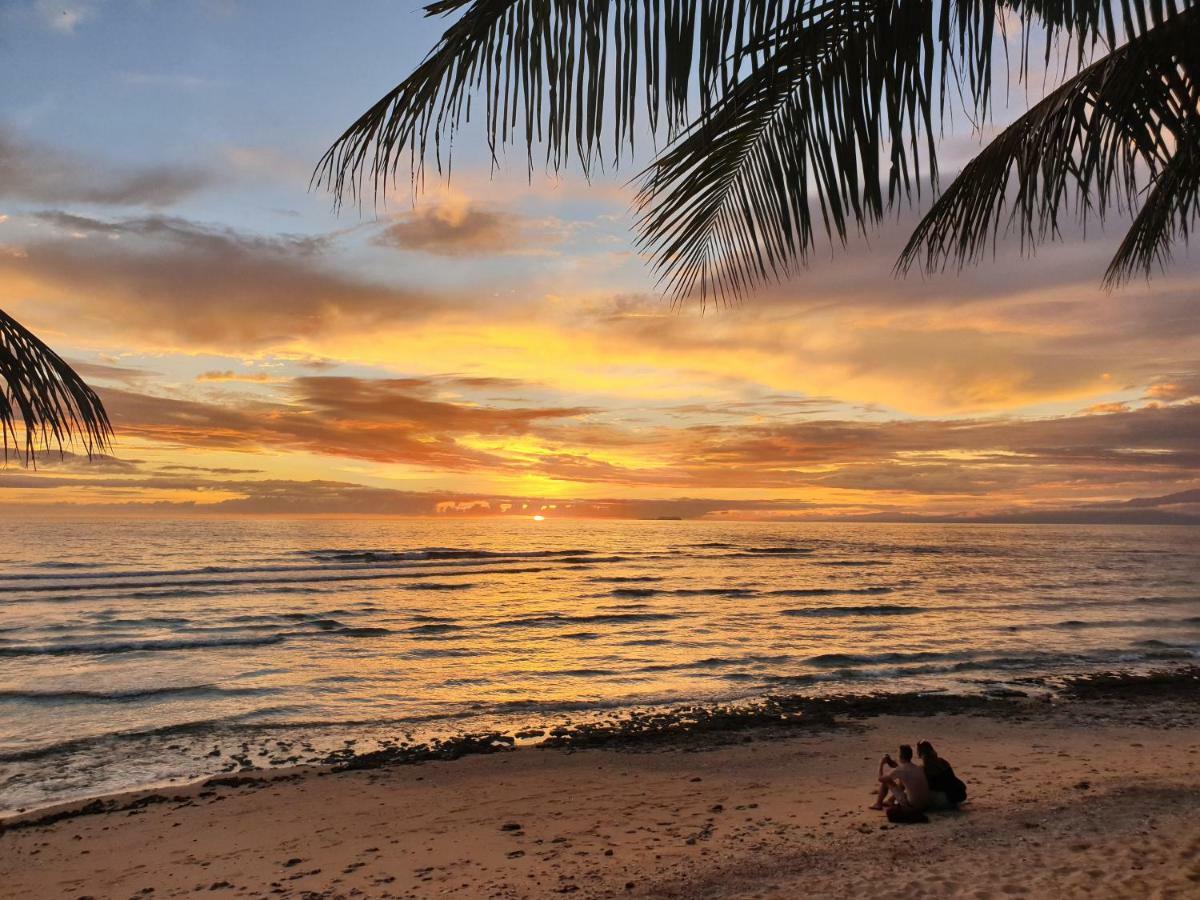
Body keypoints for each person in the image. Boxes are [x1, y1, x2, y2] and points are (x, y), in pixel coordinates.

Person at [870, 744, 929, 821]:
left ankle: (878, 804)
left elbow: (881, 779)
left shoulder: (901, 770)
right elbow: (904, 775)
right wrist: (897, 766)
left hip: (912, 806)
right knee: (903, 782)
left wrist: (881, 764)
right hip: (924, 805)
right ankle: (890, 801)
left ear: (900, 757)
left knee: (886, 781)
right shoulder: (918, 768)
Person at [917, 740, 967, 808]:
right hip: (958, 794)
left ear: (920, 753)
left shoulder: (925, 768)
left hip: (945, 798)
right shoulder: (942, 762)